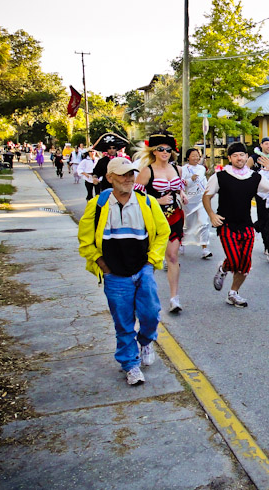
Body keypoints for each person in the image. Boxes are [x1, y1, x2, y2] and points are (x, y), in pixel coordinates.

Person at [78, 157, 170, 385]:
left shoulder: (147, 202)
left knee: (150, 314)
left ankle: (146, 341)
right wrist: (103, 266)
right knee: (123, 322)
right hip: (115, 275)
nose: (128, 179)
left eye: (131, 174)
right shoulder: (97, 205)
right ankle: (130, 365)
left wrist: (151, 262)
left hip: (143, 269)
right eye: (122, 174)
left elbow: (162, 233)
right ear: (110, 178)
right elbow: (85, 241)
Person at [203, 142, 269, 307]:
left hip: (246, 225)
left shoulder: (254, 177)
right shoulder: (220, 176)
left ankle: (233, 293)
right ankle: (224, 268)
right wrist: (211, 215)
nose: (239, 158)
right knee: (234, 259)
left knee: (244, 263)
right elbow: (206, 196)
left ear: (246, 157)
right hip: (226, 224)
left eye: (242, 155)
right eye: (235, 155)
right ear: (230, 158)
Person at [134, 131, 186, 314]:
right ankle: (144, 296)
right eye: (161, 149)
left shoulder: (177, 169)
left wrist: (182, 194)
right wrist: (156, 201)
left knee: (172, 256)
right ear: (153, 151)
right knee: (152, 259)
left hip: (175, 217)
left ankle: (174, 298)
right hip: (154, 218)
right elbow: (136, 198)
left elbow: (178, 189)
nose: (165, 152)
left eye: (168, 149)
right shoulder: (146, 171)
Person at [181, 148, 212, 259]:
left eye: (197, 155)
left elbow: (204, 181)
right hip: (188, 200)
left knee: (204, 223)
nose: (195, 158)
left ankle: (205, 249)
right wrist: (190, 180)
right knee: (187, 225)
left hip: (201, 200)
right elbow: (181, 184)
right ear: (188, 157)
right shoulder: (183, 169)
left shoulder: (202, 168)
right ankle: (182, 243)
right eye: (193, 156)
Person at [252, 137, 269, 251]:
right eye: (266, 144)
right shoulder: (255, 157)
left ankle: (256, 226)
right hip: (260, 192)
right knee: (264, 218)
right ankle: (267, 246)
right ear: (261, 145)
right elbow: (246, 171)